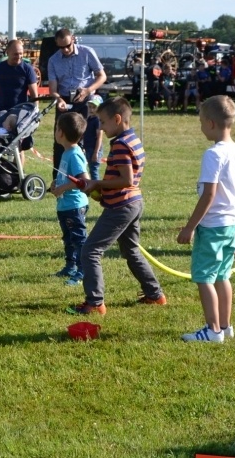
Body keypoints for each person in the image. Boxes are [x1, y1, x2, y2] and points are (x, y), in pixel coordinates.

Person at [67, 97, 166, 316]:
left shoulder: (120, 144)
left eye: (102, 122)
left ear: (118, 119)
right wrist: (99, 189)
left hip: (121, 206)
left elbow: (126, 179)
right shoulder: (133, 139)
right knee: (131, 250)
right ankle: (155, 295)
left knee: (90, 250)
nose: (100, 127)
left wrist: (98, 183)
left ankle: (94, 303)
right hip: (133, 202)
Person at [177, 96, 235, 342]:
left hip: (213, 227)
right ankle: (226, 326)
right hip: (230, 226)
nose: (200, 126)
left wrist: (190, 227)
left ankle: (213, 330)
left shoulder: (213, 154)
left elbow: (209, 194)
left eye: (200, 121)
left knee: (204, 277)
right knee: (222, 276)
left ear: (210, 123)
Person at [48, 28, 107, 178]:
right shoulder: (53, 60)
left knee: (85, 138)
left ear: (73, 39)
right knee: (60, 139)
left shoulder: (87, 52)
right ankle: (58, 179)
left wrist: (88, 90)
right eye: (61, 47)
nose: (65, 50)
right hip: (65, 101)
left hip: (86, 100)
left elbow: (102, 76)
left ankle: (84, 178)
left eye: (67, 45)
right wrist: (59, 99)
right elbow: (53, 90)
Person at [0, 39, 39, 166]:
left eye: (21, 53)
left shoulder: (27, 69)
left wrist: (35, 116)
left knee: (17, 146)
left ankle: (18, 177)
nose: (18, 57)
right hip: (0, 112)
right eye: (15, 54)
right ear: (7, 52)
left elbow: (34, 95)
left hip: (19, 115)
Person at [50, 112, 90, 287]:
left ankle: (82, 271)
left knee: (78, 239)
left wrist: (62, 188)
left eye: (57, 127)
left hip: (74, 206)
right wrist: (56, 183)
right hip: (65, 205)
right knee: (68, 238)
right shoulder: (67, 152)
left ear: (61, 133)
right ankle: (70, 266)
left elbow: (84, 180)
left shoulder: (74, 154)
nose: (55, 130)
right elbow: (68, 176)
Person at [84, 95, 105, 180]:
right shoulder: (89, 118)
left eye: (94, 107)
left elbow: (99, 137)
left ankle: (96, 191)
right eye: (90, 107)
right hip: (88, 148)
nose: (91, 109)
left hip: (94, 150)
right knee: (88, 169)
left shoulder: (97, 121)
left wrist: (96, 152)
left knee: (94, 170)